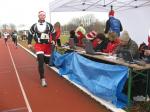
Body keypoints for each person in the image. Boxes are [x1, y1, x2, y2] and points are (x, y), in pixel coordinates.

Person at [28, 11, 55, 87]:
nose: (42, 16)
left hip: (47, 46)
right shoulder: (34, 26)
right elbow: (30, 34)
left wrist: (53, 39)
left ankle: (42, 58)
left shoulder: (49, 25)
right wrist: (29, 43)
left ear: (45, 16)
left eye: (43, 15)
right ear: (38, 16)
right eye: (41, 15)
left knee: (46, 61)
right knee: (41, 61)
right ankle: (42, 79)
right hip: (39, 45)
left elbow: (54, 33)